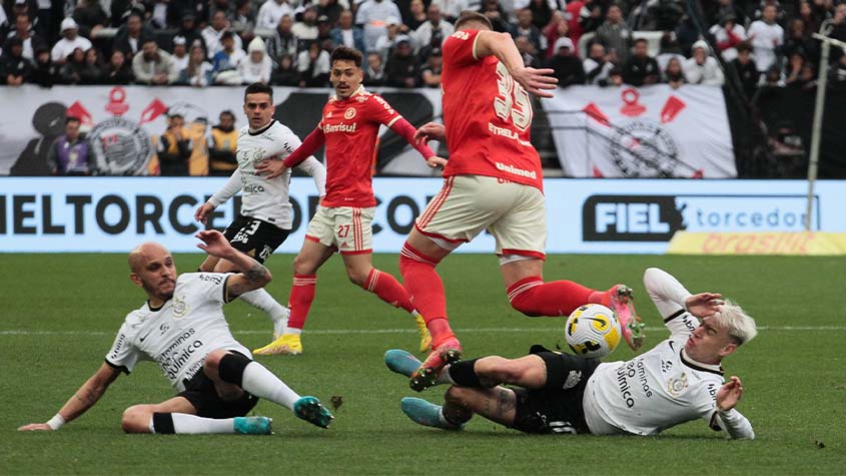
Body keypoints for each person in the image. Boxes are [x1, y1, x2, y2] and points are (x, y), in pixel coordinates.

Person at [399, 11, 643, 393]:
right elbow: (498, 128)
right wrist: (451, 132)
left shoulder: (468, 43)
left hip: (483, 174)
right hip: (527, 183)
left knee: (416, 258)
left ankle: (443, 338)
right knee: (526, 294)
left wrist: (517, 66)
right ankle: (603, 298)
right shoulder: (501, 82)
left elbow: (501, 41)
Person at [18, 230, 334, 435]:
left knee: (213, 359)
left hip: (232, 375)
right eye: (154, 268)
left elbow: (260, 277)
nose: (167, 272)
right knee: (132, 418)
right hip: (199, 398)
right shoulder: (134, 326)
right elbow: (97, 385)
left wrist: (230, 253)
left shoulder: (194, 284)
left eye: (168, 263)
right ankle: (237, 426)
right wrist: (52, 423)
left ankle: (298, 404)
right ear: (136, 279)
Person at [388, 267, 756, 439]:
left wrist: (728, 413)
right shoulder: (685, 330)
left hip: (581, 418)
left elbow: (745, 436)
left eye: (708, 331)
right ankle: (435, 373)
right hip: (588, 373)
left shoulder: (708, 391)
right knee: (507, 369)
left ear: (727, 348)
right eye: (702, 324)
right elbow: (652, 277)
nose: (697, 332)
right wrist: (686, 300)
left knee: (461, 396)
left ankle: (446, 417)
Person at [249, 46, 436, 356]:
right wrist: (286, 163)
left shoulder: (370, 103)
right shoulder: (331, 106)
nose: (342, 78)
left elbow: (404, 127)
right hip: (330, 202)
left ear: (360, 75)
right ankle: (291, 339)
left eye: (349, 73)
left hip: (354, 203)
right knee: (304, 264)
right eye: (337, 73)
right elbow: (314, 140)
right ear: (331, 75)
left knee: (360, 274)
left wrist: (428, 155)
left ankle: (425, 318)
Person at [195, 83, 326, 345]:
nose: (257, 111)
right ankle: (280, 313)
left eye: (263, 106)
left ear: (272, 108)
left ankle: (205, 334)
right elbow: (242, 172)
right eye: (252, 106)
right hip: (247, 217)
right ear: (244, 108)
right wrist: (213, 202)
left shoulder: (282, 137)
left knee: (221, 275)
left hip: (271, 221)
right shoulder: (243, 134)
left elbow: (315, 167)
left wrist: (324, 199)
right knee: (205, 274)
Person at [207, 110, 239, 176]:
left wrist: (220, 154)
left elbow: (237, 158)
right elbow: (212, 154)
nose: (226, 123)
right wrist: (230, 153)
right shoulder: (212, 134)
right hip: (216, 171)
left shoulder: (239, 135)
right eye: (223, 120)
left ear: (233, 121)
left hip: (233, 171)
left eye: (228, 120)